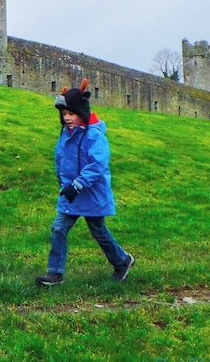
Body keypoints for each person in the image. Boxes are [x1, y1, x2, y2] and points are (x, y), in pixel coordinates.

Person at [36, 79, 135, 286]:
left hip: (91, 193)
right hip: (70, 193)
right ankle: (55, 273)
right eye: (64, 115)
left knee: (98, 231)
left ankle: (122, 260)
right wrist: (64, 184)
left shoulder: (94, 136)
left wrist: (78, 184)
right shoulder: (65, 133)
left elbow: (97, 164)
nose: (67, 118)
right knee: (58, 228)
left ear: (80, 113)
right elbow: (61, 159)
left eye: (70, 114)